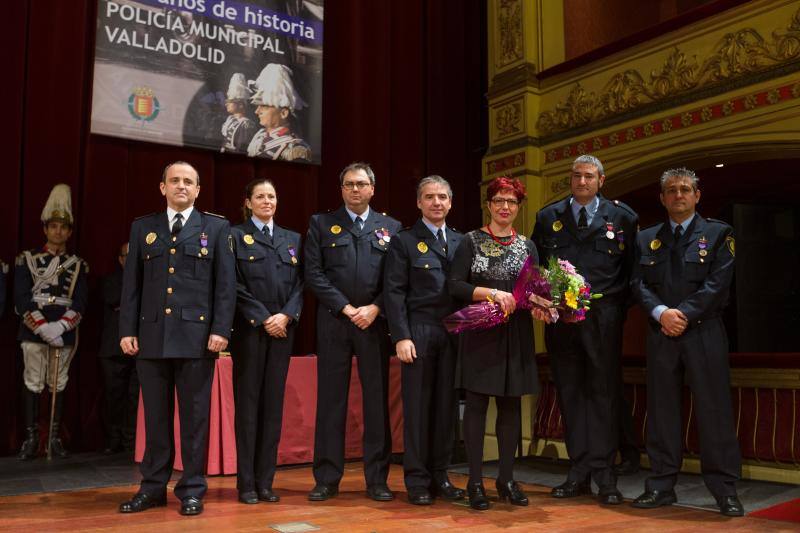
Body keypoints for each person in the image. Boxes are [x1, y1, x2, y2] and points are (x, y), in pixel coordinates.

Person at [118, 161, 235, 516]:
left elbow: (225, 286)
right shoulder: (144, 228)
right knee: (155, 419)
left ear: (198, 190)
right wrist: (127, 330)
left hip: (197, 339)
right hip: (151, 337)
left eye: (188, 181)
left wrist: (220, 330)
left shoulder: (215, 228)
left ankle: (192, 490)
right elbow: (132, 286)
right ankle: (152, 488)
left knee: (195, 419)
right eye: (175, 180)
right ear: (162, 187)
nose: (181, 186)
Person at [630, 168, 743, 517]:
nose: (679, 195)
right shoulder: (645, 238)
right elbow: (637, 283)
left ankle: (724, 490)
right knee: (662, 411)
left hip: (704, 331)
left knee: (714, 411)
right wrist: (662, 313)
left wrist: (682, 315)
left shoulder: (719, 233)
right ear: (662, 198)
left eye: (685, 189)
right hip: (661, 332)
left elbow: (718, 284)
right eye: (671, 190)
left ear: (697, 195)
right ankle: (661, 486)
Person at [531, 154, 638, 505]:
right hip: (562, 321)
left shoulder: (623, 218)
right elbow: (535, 269)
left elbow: (633, 275)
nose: (581, 182)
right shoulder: (549, 217)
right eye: (576, 176)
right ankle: (578, 472)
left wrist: (613, 311)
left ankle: (605, 475)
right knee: (571, 393)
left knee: (603, 394)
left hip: (603, 318)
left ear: (601, 181)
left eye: (589, 176)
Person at [448, 176, 548, 511]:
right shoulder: (470, 241)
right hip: (479, 332)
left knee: (510, 408)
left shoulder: (529, 246)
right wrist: (491, 293)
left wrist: (544, 305)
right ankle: (475, 482)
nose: (505, 207)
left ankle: (506, 478)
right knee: (476, 408)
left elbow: (533, 289)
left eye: (512, 202)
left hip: (515, 334)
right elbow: (455, 285)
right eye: (499, 201)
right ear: (489, 205)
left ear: (518, 208)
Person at [304, 162, 402, 502]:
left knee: (377, 404)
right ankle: (327, 478)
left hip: (375, 324)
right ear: (341, 189)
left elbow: (396, 279)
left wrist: (375, 308)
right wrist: (347, 308)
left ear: (373, 189)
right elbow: (313, 274)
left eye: (361, 184)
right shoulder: (322, 224)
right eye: (349, 184)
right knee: (331, 403)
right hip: (335, 323)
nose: (355, 190)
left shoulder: (391, 227)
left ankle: (377, 480)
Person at [384, 175, 465, 505]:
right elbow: (394, 292)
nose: (437, 202)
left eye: (442, 197)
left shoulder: (462, 241)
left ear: (450, 202)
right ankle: (417, 480)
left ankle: (440, 475)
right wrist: (401, 336)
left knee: (446, 409)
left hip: (454, 333)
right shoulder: (404, 242)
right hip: (419, 331)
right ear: (418, 202)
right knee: (417, 409)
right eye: (430, 197)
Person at [230, 179, 304, 504]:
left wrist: (285, 316)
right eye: (260, 196)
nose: (267, 201)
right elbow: (232, 284)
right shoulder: (233, 236)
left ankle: (266, 482)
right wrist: (263, 317)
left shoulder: (293, 239)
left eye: (272, 196)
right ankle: (246, 483)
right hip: (249, 332)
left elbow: (302, 284)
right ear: (248, 202)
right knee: (248, 409)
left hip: (283, 332)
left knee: (273, 409)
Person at [14, 184, 88, 461]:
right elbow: (21, 298)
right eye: (53, 226)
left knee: (58, 383)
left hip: (64, 332)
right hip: (34, 330)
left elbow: (80, 302)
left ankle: (54, 439)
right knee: (33, 382)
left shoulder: (77, 264)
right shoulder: (27, 259)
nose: (58, 232)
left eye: (63, 227)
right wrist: (43, 327)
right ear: (45, 229)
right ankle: (32, 439)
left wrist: (60, 327)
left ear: (69, 232)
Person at [99, 242, 139, 454]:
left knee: (135, 397)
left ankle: (131, 440)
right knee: (114, 396)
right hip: (113, 349)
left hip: (139, 349)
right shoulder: (112, 280)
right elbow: (113, 298)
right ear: (121, 259)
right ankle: (113, 439)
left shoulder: (147, 279)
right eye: (127, 256)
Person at [246, 64, 312, 162]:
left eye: (265, 106)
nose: (257, 111)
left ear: (283, 113)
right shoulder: (259, 137)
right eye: (257, 106)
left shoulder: (296, 148)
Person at [220, 73, 258, 154]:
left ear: (240, 105)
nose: (226, 104)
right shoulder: (229, 120)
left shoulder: (246, 125)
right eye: (227, 101)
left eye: (231, 102)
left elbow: (241, 148)